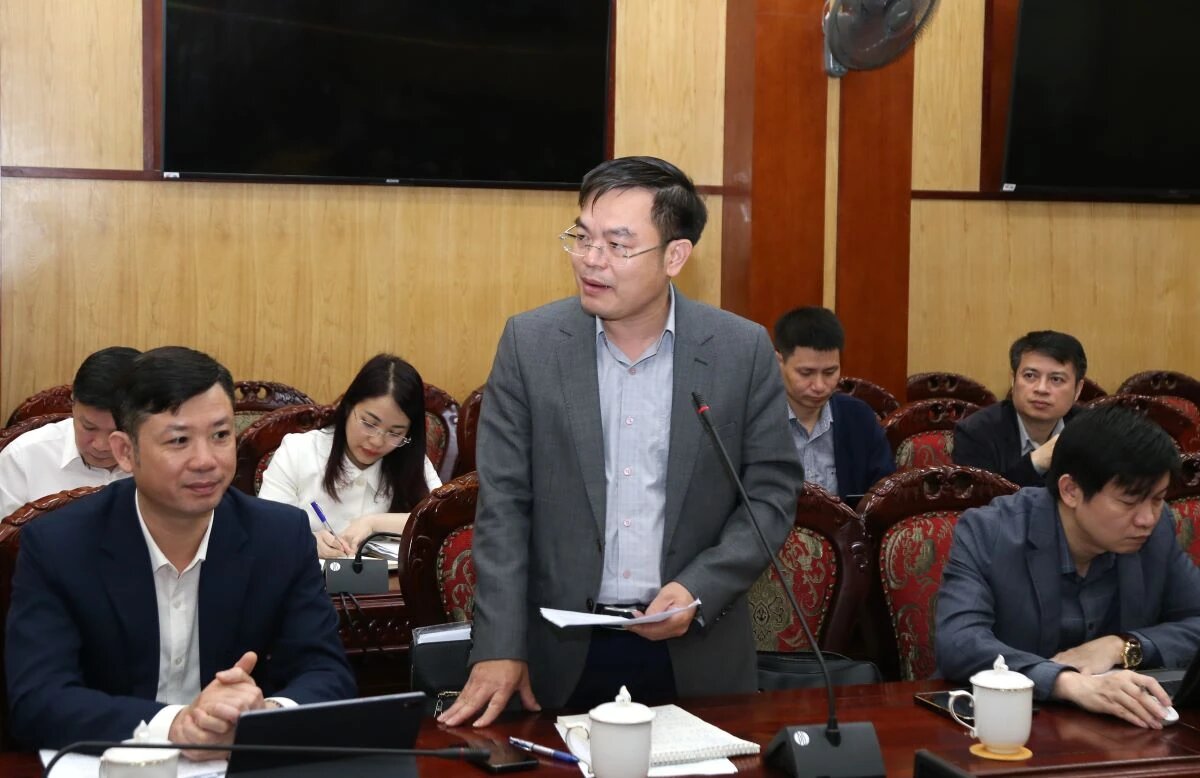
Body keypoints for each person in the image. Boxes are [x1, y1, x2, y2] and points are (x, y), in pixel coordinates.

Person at [439, 156, 802, 727]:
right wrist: (500, 644)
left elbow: (771, 495)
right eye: (583, 237)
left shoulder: (741, 350)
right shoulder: (531, 344)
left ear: (675, 256)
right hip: (558, 652)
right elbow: (502, 507)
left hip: (694, 649)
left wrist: (700, 588)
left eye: (617, 244)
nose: (591, 259)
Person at [5, 346, 355, 755]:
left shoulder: (280, 536)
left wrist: (262, 715)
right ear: (126, 452)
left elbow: (328, 674)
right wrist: (175, 726)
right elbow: (38, 701)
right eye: (178, 440)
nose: (206, 460)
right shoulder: (58, 545)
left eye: (220, 435)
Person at [936, 405, 1200, 729]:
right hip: (1002, 726)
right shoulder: (990, 532)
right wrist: (1066, 682)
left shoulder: (1156, 534)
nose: (1147, 518)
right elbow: (960, 642)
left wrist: (1123, 646)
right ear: (1071, 490)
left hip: (1119, 731)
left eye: (1158, 499)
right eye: (1129, 502)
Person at [257, 353, 441, 558]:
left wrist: (373, 523)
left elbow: (441, 518)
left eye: (395, 433)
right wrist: (307, 542)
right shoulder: (298, 452)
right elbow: (266, 530)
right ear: (348, 407)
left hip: (388, 580)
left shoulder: (413, 460)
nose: (377, 441)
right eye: (369, 423)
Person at [0, 346, 140, 518]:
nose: (101, 446)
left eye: (119, 432)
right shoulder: (21, 459)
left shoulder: (164, 459)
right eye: (89, 427)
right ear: (73, 402)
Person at [773, 306, 894, 503]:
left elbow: (884, 498)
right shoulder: (755, 419)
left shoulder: (859, 418)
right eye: (806, 373)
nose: (819, 386)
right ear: (779, 362)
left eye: (830, 372)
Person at [953, 330, 1087, 487]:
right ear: (1013, 380)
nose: (1041, 389)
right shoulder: (976, 432)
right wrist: (1038, 461)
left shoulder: (1093, 430)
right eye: (1030, 376)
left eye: (1056, 379)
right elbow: (981, 499)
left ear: (1078, 389)